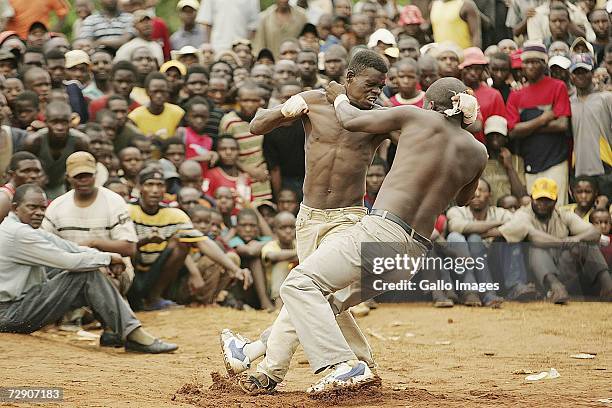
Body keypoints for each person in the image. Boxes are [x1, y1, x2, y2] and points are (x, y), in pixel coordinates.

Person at [240, 77, 486, 394]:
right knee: (325, 302)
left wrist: (341, 97)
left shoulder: (416, 117)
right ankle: (260, 356)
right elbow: (465, 199)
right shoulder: (478, 152)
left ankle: (341, 365)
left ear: (430, 104)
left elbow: (351, 120)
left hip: (383, 231)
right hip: (414, 253)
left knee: (300, 284)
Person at [220, 49, 394, 394]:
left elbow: (409, 137)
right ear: (349, 78)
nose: (376, 91)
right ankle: (361, 363)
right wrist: (284, 110)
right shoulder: (313, 102)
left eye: (381, 86)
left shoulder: (375, 118)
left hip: (348, 216)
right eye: (370, 84)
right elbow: (257, 125)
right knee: (317, 295)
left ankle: (265, 364)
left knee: (305, 289)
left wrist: (385, 109)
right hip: (309, 215)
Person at [0, 184, 177, 354]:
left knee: (86, 271)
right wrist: (107, 259)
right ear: (15, 208)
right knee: (86, 274)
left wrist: (104, 257)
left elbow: (67, 247)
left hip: (19, 306)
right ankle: (132, 333)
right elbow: (68, 261)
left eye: (42, 208)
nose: (39, 213)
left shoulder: (23, 228)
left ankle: (115, 331)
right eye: (32, 207)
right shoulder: (18, 233)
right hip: (10, 315)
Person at [128, 168, 250, 311]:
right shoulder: (127, 210)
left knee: (181, 244)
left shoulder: (174, 215)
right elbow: (121, 246)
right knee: (125, 248)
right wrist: (144, 241)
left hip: (158, 274)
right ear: (140, 187)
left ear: (165, 189)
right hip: (132, 272)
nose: (155, 190)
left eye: (160, 185)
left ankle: (154, 298)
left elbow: (202, 241)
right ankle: (129, 300)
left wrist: (235, 270)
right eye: (150, 184)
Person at [498, 177, 612, 303]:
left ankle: (608, 286)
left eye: (548, 201)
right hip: (536, 274)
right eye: (539, 200)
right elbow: (535, 237)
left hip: (562, 268)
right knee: (537, 247)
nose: (542, 204)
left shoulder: (562, 214)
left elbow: (595, 232)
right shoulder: (522, 214)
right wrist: (564, 242)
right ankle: (556, 288)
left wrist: (576, 238)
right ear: (531, 199)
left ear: (556, 200)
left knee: (587, 244)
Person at [506, 41, 571, 206]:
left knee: (558, 209)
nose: (530, 66)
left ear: (544, 63)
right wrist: (543, 119)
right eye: (526, 62)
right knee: (534, 211)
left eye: (535, 61)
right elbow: (512, 131)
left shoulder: (558, 87)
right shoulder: (516, 95)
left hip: (556, 160)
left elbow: (562, 124)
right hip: (530, 162)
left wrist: (526, 126)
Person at [446, 179, 510, 307]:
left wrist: (475, 231)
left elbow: (518, 225)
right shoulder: (456, 211)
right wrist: (498, 225)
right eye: (473, 190)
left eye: (482, 190)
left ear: (490, 194)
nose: (476, 194)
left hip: (491, 262)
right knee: (455, 237)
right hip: (461, 265)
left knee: (474, 238)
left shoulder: (499, 212)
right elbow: (456, 226)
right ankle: (474, 291)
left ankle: (478, 293)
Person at [22, 101, 90, 199]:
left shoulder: (80, 141)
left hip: (62, 186)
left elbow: (84, 171)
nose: (59, 127)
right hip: (34, 185)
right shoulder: (34, 141)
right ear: (45, 122)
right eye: (54, 122)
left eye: (64, 122)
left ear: (70, 122)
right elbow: (23, 169)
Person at [568, 53, 612, 199]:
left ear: (592, 73)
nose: (580, 76)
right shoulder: (568, 102)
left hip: (605, 165)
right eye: (576, 72)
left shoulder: (606, 98)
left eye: (584, 71)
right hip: (579, 169)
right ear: (571, 76)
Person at [220, 84, 273, 202]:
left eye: (254, 101)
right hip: (240, 176)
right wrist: (248, 169)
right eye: (245, 100)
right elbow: (223, 151)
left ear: (260, 101)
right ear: (238, 101)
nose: (249, 104)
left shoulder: (264, 118)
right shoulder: (229, 122)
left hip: (262, 176)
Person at [459, 47, 506, 143]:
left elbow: (499, 128)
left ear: (483, 70)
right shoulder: (453, 91)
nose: (473, 73)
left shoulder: (494, 95)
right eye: (468, 68)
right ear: (461, 69)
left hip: (485, 148)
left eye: (477, 69)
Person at [482, 115, 527, 204]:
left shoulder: (517, 161)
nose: (495, 137)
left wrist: (509, 167)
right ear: (486, 138)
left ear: (506, 138)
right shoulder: (480, 162)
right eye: (491, 134)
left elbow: (522, 196)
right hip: (489, 213)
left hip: (512, 211)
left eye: (499, 134)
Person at [128, 73, 185, 141]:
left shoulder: (178, 113)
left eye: (162, 91)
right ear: (147, 92)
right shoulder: (135, 117)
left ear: (168, 91)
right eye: (155, 91)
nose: (159, 96)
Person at [0, 152, 43, 222]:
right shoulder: (4, 197)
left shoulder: (29, 195)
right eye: (26, 171)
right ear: (12, 174)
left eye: (37, 171)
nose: (33, 176)